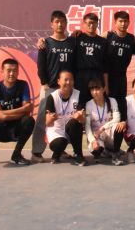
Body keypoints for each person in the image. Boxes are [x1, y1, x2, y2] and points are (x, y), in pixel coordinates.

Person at [33, 10, 76, 162]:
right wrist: (44, 83)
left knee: (65, 120)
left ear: (66, 23)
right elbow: (41, 66)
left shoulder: (72, 42)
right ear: (51, 24)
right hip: (50, 87)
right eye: (57, 22)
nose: (60, 24)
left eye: (63, 21)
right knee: (42, 119)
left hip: (68, 89)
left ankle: (60, 149)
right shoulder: (45, 43)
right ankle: (36, 152)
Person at [45, 70, 87, 166]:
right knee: (59, 144)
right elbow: (48, 123)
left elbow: (83, 120)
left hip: (70, 128)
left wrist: (80, 117)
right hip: (56, 130)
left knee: (75, 123)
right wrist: (51, 119)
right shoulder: (52, 97)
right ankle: (57, 153)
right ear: (59, 81)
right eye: (66, 80)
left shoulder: (78, 95)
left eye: (71, 80)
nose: (68, 82)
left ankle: (78, 154)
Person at [105, 10, 135, 123]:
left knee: (121, 102)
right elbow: (93, 39)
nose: (123, 24)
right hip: (107, 76)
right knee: (107, 102)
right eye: (120, 21)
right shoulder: (108, 35)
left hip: (121, 76)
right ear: (115, 22)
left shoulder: (131, 39)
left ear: (129, 23)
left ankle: (121, 126)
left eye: (125, 21)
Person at [84, 78, 123, 166]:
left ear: (104, 89)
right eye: (92, 89)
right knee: (97, 149)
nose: (95, 92)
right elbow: (87, 126)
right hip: (96, 136)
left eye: (97, 89)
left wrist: (102, 128)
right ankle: (103, 151)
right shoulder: (88, 104)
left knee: (119, 125)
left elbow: (117, 118)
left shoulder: (112, 101)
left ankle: (115, 154)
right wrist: (92, 140)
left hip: (109, 134)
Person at [74, 12, 108, 108]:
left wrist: (106, 84)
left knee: (96, 104)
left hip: (96, 75)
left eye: (93, 23)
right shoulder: (77, 38)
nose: (91, 25)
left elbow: (106, 65)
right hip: (80, 76)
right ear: (83, 24)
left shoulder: (103, 42)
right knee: (80, 104)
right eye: (89, 23)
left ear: (97, 24)